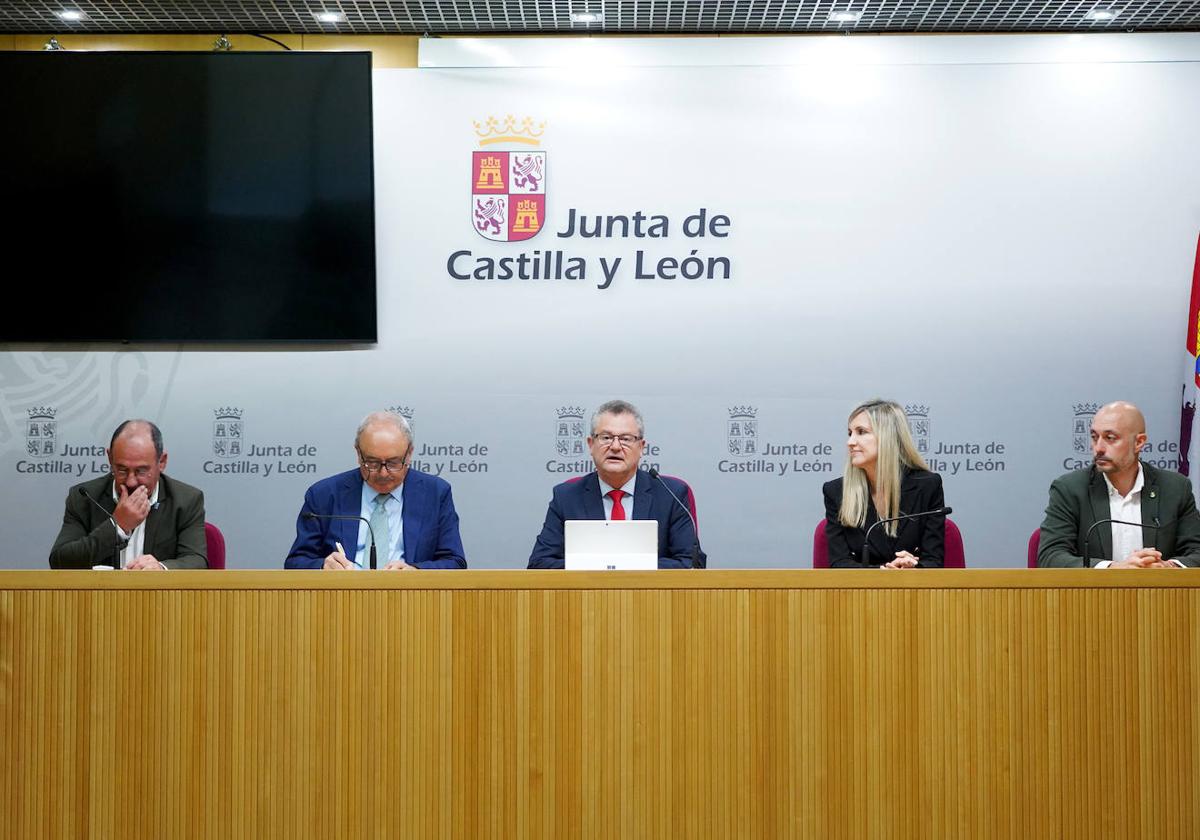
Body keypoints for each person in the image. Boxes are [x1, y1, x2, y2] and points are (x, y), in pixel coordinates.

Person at [528, 399, 705, 569]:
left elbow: (691, 563)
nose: (615, 446)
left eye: (626, 439)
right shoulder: (566, 496)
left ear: (642, 447)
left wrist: (621, 567)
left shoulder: (672, 494)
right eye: (606, 437)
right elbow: (539, 563)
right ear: (591, 444)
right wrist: (606, 568)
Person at [285, 410, 466, 570]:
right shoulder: (324, 495)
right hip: (342, 599)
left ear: (409, 454)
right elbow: (296, 562)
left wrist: (415, 572)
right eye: (372, 463)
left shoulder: (435, 493)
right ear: (358, 453)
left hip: (410, 600)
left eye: (394, 463)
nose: (383, 473)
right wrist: (323, 566)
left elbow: (455, 562)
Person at [1038, 400, 1200, 568]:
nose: (1098, 448)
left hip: (1158, 593)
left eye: (1110, 438)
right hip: (1094, 594)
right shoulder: (1070, 489)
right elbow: (1051, 557)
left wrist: (1168, 568)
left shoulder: (1175, 488)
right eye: (1094, 437)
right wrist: (1114, 569)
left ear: (1139, 442)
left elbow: (1197, 551)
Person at [49, 419, 207, 570]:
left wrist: (161, 568)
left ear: (162, 462)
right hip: (99, 597)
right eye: (122, 470)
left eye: (141, 471)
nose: (131, 482)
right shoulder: (84, 497)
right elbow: (60, 561)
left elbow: (197, 561)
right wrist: (118, 526)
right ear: (110, 458)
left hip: (158, 597)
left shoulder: (186, 500)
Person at [822, 399, 945, 568]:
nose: (850, 442)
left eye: (861, 432)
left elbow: (934, 561)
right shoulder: (836, 492)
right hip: (861, 592)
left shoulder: (928, 486)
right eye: (850, 433)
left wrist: (912, 567)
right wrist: (883, 571)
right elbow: (839, 563)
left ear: (888, 437)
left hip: (914, 590)